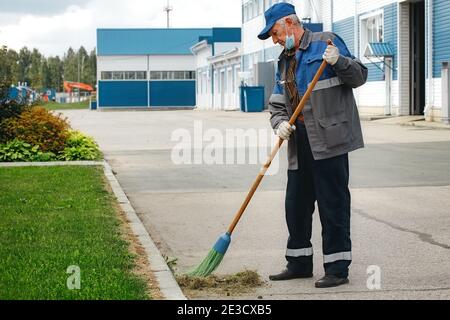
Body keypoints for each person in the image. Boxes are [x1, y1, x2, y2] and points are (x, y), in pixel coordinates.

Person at [258, 3, 368, 288]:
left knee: (333, 205)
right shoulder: (284, 60)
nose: (275, 40)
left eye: (275, 33)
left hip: (330, 140)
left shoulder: (326, 43)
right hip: (299, 141)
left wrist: (339, 62)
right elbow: (277, 103)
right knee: (296, 205)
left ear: (289, 23)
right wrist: (279, 123)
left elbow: (358, 77)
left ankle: (337, 268)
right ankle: (298, 263)